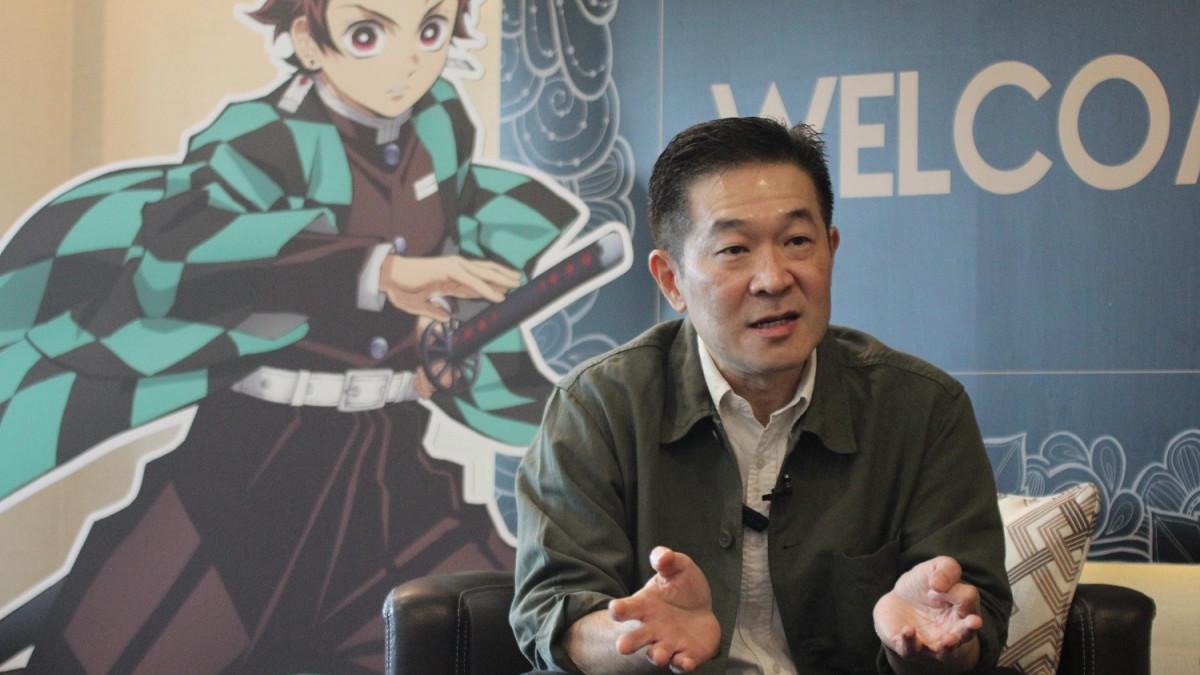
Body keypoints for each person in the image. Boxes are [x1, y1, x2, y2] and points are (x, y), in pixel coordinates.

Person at [0, 0, 592, 671]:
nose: (408, 61)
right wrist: (375, 272)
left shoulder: (440, 121)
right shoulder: (262, 135)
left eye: (431, 30)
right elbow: (181, 252)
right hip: (254, 462)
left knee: (490, 634)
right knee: (112, 647)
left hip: (387, 464)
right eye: (367, 34)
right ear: (309, 40)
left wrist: (432, 338)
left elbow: (435, 255)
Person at [510, 117, 1013, 674]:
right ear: (672, 280)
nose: (773, 279)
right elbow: (554, 617)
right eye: (734, 249)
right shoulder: (599, 408)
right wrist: (643, 638)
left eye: (797, 241)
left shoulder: (923, 410)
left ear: (831, 250)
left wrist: (932, 639)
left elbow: (976, 624)